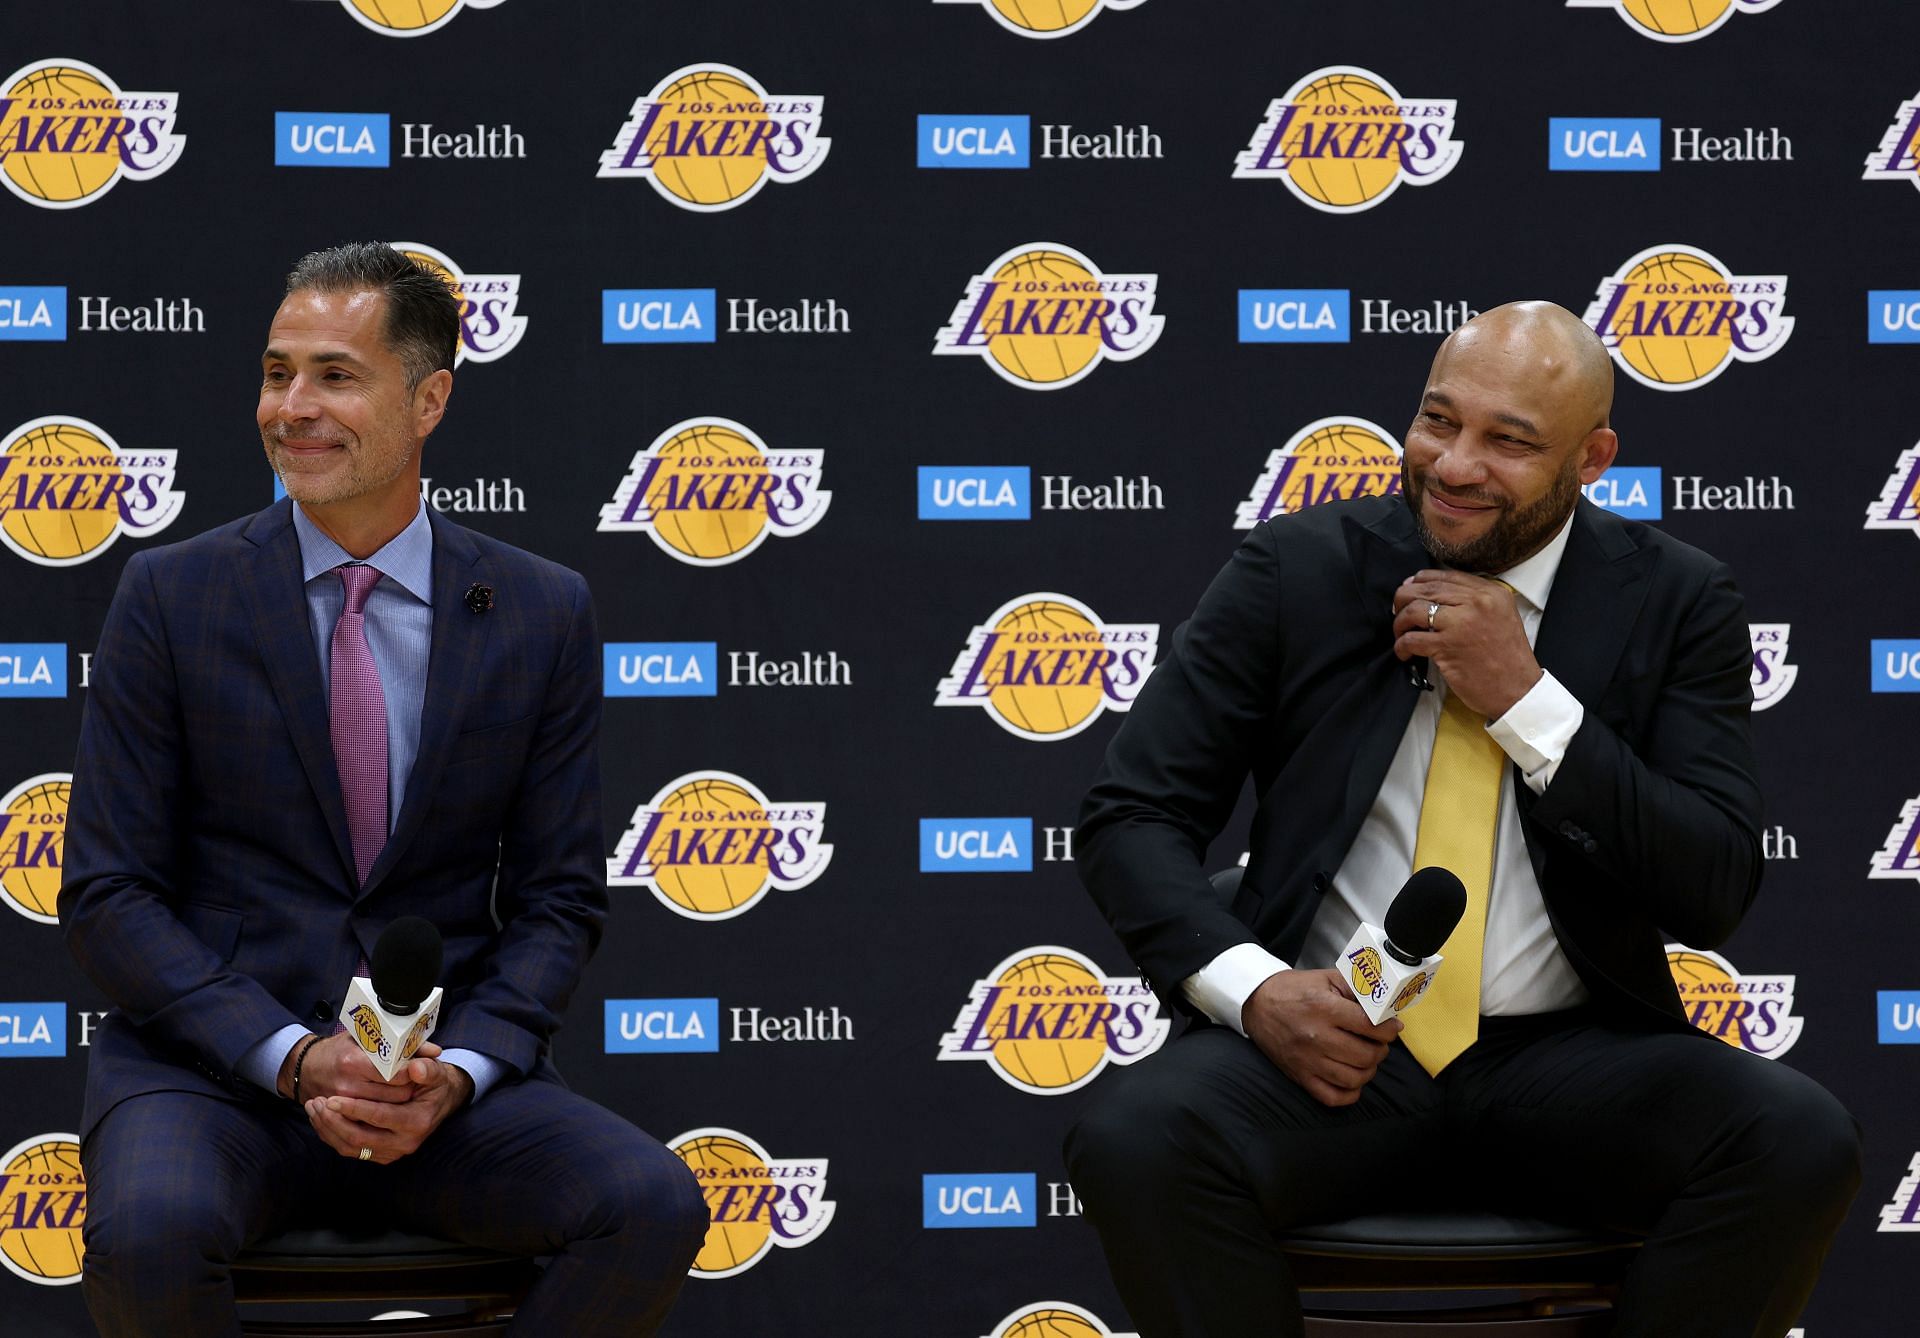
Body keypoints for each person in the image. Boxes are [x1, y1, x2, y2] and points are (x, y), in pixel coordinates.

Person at [1064, 302, 1861, 1337]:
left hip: (1575, 1063)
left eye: (1510, 441)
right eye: (1439, 421)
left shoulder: (1677, 597)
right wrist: (1257, 994)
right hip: (1334, 1058)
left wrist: (1527, 701)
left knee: (1797, 1139)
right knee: (1133, 1138)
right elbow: (1132, 814)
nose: (1453, 464)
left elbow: (1711, 885)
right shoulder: (1294, 571)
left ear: (1592, 458)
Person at [59, 242, 708, 1337]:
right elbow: (108, 893)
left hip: (435, 1095)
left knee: (649, 1205)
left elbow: (559, 899)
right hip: (216, 1078)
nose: (291, 408)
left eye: (335, 375)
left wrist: (458, 1073)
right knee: (151, 1232)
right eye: (277, 373)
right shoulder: (171, 595)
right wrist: (294, 1057)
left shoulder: (543, 610)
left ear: (430, 399)